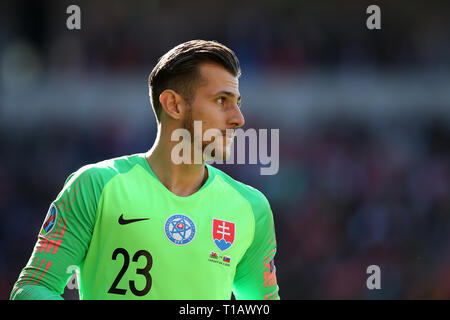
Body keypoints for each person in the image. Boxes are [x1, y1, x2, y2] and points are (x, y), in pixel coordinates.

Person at [10, 40, 279, 300]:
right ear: (173, 104)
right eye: (221, 101)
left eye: (237, 103)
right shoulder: (96, 185)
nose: (238, 119)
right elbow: (34, 288)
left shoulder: (251, 208)